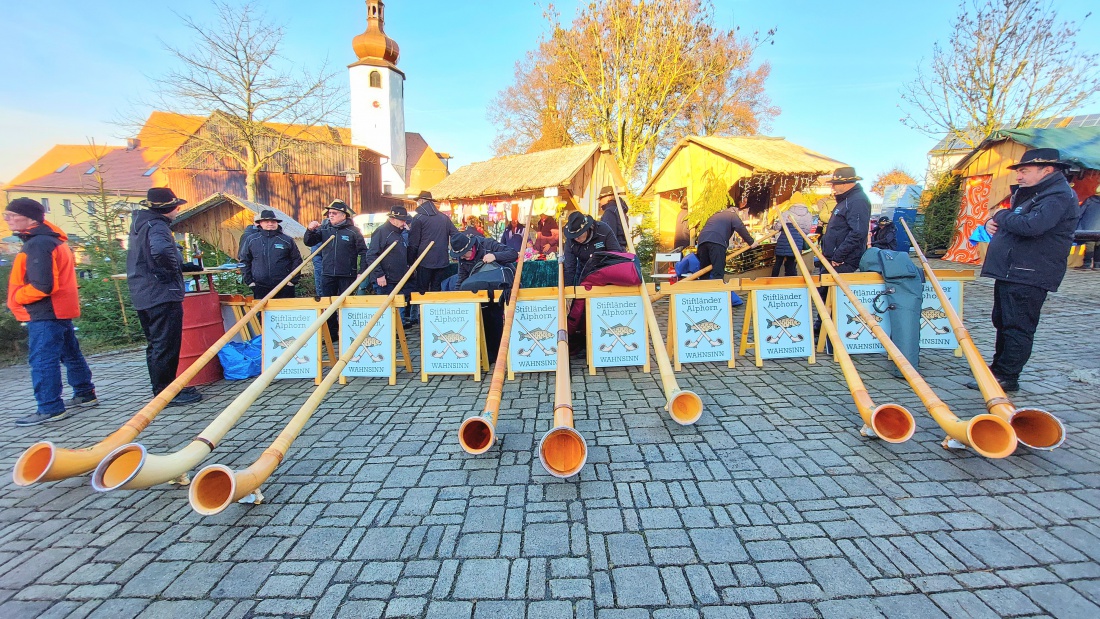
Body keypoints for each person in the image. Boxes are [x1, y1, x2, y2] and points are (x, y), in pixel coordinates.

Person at [974, 148, 1081, 392]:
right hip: (1014, 271)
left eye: (1024, 171)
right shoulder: (1036, 194)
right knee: (1004, 321)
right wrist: (994, 221)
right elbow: (1018, 220)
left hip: (1029, 272)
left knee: (1017, 326)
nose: (1019, 176)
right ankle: (998, 371)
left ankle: (1007, 376)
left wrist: (1000, 215)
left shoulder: (1057, 196)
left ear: (1047, 170)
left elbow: (1032, 225)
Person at [5, 198, 97, 426]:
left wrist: (16, 298)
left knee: (42, 359)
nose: (7, 218)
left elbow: (43, 286)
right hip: (59, 309)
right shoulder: (51, 240)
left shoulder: (38, 244)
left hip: (45, 312)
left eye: (11, 214)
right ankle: (85, 393)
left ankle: (50, 407)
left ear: (29, 217)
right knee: (70, 353)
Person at [126, 187, 202, 405]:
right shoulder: (157, 226)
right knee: (165, 344)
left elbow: (151, 255)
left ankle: (164, 388)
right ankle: (166, 393)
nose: (178, 211)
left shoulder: (140, 225)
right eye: (177, 208)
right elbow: (160, 252)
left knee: (155, 345)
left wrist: (182, 265)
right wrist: (169, 273)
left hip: (144, 292)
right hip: (160, 292)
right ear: (169, 208)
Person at [304, 199, 368, 343]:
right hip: (328, 274)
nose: (330, 215)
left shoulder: (353, 231)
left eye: (334, 213)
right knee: (328, 305)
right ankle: (332, 335)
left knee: (346, 305)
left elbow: (364, 252)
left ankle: (347, 333)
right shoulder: (325, 229)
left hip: (347, 274)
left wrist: (361, 271)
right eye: (329, 213)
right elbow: (309, 241)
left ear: (343, 215)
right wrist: (309, 230)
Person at [450, 232, 519, 354]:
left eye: (463, 255)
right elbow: (461, 279)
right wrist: (456, 298)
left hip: (502, 286)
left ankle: (500, 351)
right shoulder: (462, 259)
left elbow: (513, 254)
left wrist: (495, 256)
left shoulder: (487, 243)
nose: (462, 258)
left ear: (470, 247)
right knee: (484, 316)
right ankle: (489, 353)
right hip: (482, 290)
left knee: (496, 315)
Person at [365, 205, 415, 326]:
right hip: (385, 279)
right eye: (402, 220)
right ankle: (391, 330)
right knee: (387, 308)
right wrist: (379, 274)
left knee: (399, 304)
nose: (404, 223)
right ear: (393, 219)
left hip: (398, 278)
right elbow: (371, 255)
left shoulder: (400, 233)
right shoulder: (382, 232)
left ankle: (399, 327)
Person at [239, 210, 302, 299]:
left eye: (273, 221)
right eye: (267, 221)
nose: (270, 224)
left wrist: (292, 281)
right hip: (260, 286)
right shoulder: (251, 240)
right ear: (260, 223)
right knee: (262, 313)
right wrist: (249, 282)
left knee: (285, 312)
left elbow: (297, 260)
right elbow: (244, 260)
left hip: (284, 285)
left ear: (277, 223)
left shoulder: (287, 240)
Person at [819, 167, 872, 273]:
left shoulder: (857, 201)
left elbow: (858, 232)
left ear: (845, 183)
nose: (833, 187)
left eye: (835, 183)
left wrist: (839, 256)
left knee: (828, 289)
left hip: (844, 261)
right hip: (834, 257)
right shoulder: (846, 200)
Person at [407, 191, 458, 293]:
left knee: (421, 292)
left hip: (424, 260)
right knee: (437, 290)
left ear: (421, 201)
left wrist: (410, 262)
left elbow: (413, 243)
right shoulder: (444, 218)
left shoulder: (418, 218)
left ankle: (420, 309)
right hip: (442, 260)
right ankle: (435, 309)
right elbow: (456, 235)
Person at [695, 196, 755, 281]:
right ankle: (718, 292)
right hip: (717, 243)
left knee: (704, 272)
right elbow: (740, 227)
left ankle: (705, 292)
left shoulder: (715, 215)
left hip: (702, 242)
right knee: (718, 272)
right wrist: (751, 242)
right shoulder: (732, 215)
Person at [561, 211, 623, 286]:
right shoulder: (570, 241)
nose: (576, 238)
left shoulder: (604, 230)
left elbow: (616, 255)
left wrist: (600, 258)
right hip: (584, 276)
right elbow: (569, 268)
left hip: (606, 275)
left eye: (579, 234)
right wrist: (568, 291)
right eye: (573, 236)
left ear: (587, 228)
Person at [772, 201, 813, 277]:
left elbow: (778, 227)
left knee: (778, 262)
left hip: (783, 241)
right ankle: (791, 280)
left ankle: (773, 279)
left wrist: (774, 226)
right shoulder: (808, 215)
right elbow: (807, 230)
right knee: (791, 262)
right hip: (797, 241)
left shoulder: (786, 213)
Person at [1074, 187, 1100, 270]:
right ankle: (1097, 265)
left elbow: (1080, 212)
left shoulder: (1090, 200)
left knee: (1090, 246)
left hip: (1090, 228)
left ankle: (1087, 264)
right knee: (1098, 246)